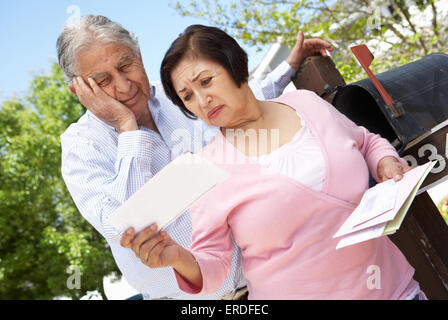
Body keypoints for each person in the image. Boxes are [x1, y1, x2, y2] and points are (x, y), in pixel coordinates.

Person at [122, 24, 427, 300]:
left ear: (235, 66)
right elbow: (213, 263)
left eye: (206, 81)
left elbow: (365, 141)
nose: (202, 101)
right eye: (187, 96)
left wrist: (386, 161)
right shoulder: (206, 168)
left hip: (396, 290)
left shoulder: (305, 104)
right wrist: (176, 257)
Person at [58, 14, 333, 299]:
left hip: (272, 281)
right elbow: (130, 226)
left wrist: (289, 65)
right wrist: (127, 128)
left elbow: (240, 103)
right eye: (102, 81)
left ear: (139, 54)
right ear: (79, 91)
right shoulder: (80, 147)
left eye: (126, 65)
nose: (124, 86)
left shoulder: (180, 93)